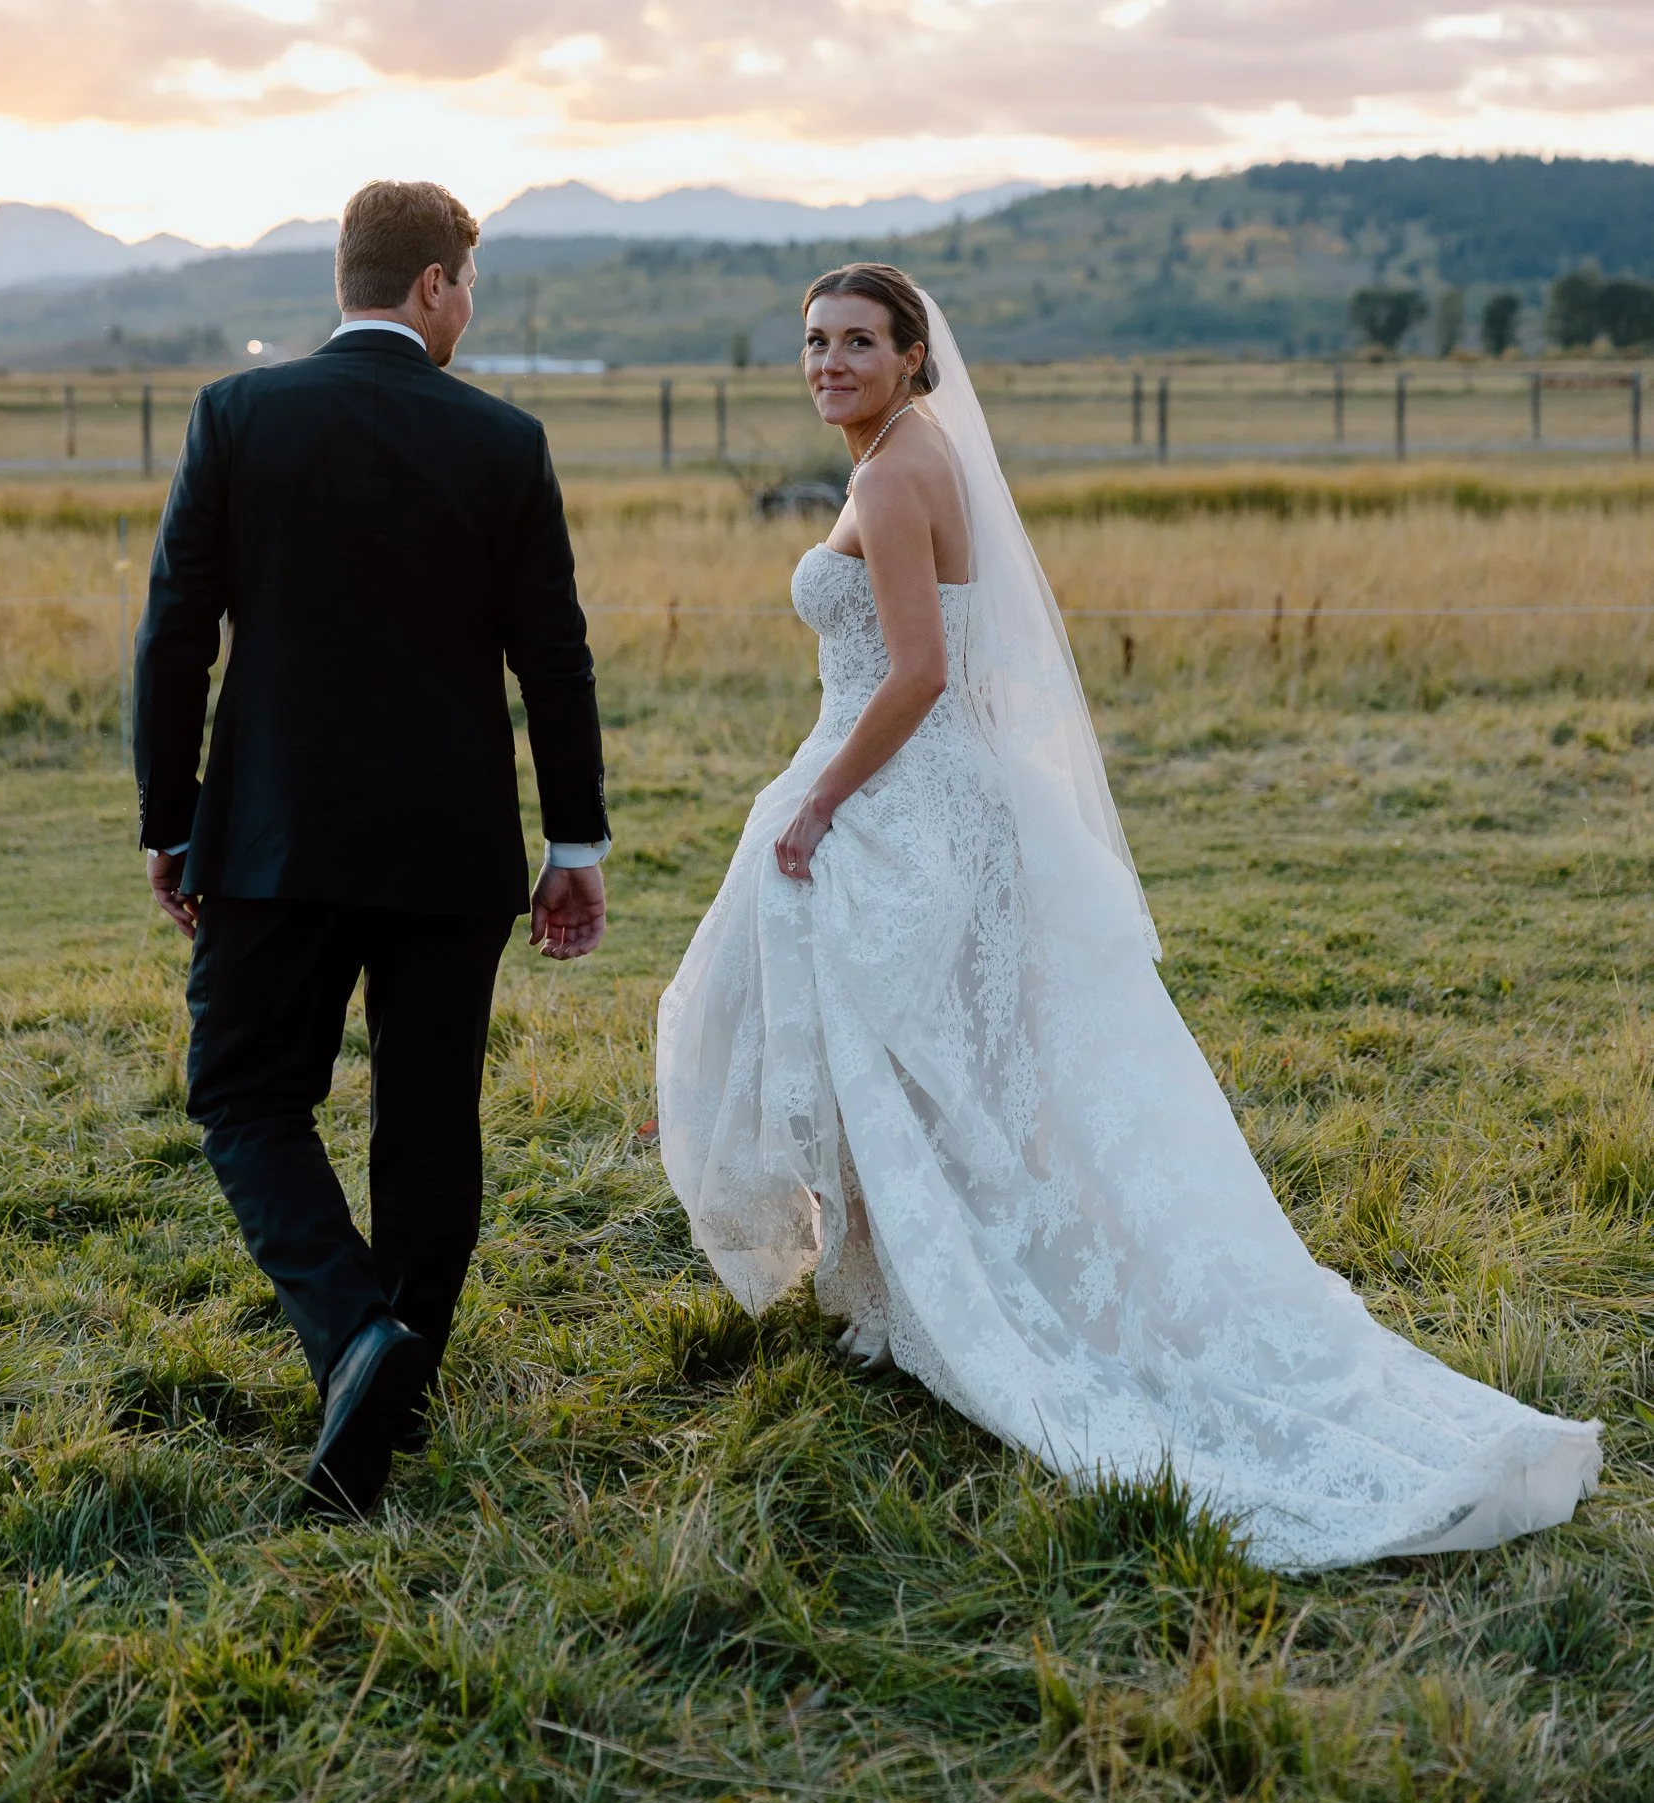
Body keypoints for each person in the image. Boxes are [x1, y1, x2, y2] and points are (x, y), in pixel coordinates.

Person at [655, 262, 1599, 1571]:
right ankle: (880, 1289)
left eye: (858, 342)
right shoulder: (922, 453)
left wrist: (816, 806)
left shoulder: (885, 475)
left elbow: (921, 672)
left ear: (913, 355)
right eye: (813, 342)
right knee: (940, 1061)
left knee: (903, 1057)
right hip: (946, 800)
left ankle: (935, 1298)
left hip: (898, 804)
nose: (829, 363)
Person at [134, 180, 609, 1517]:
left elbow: (175, 634)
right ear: (437, 283)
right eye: (471, 286)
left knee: (243, 1092)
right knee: (427, 1115)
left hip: (274, 833)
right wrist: (573, 835)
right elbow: (553, 657)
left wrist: (172, 818)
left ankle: (356, 1346)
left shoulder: (239, 416)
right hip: (450, 845)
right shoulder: (503, 441)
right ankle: (389, 1367)